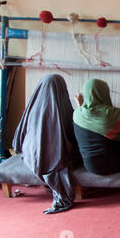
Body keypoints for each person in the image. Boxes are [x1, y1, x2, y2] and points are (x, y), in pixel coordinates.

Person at [12, 74, 80, 214]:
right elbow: (74, 133)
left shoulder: (32, 107)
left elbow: (19, 136)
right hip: (57, 158)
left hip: (32, 155)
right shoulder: (63, 109)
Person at [73, 78, 120, 175]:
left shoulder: (77, 113)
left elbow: (91, 121)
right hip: (112, 164)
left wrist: (80, 104)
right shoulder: (108, 115)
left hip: (90, 166)